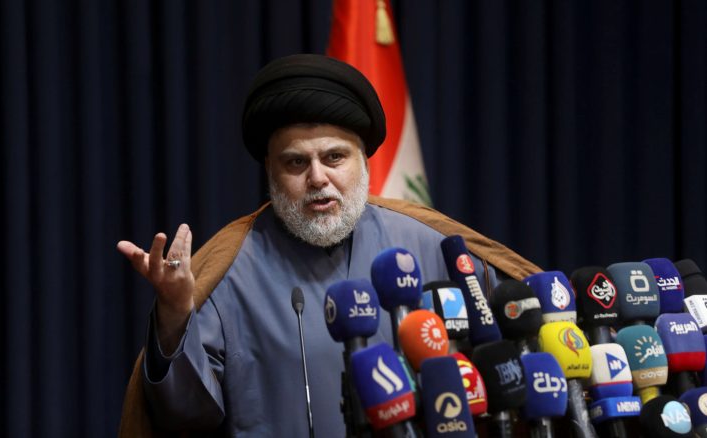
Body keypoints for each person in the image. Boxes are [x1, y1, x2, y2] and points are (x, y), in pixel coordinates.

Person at [117, 54, 540, 437]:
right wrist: (175, 317)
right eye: (296, 162)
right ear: (270, 170)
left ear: (364, 160)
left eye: (335, 157)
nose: (317, 178)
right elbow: (187, 417)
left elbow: (518, 355)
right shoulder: (229, 270)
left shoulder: (432, 244)